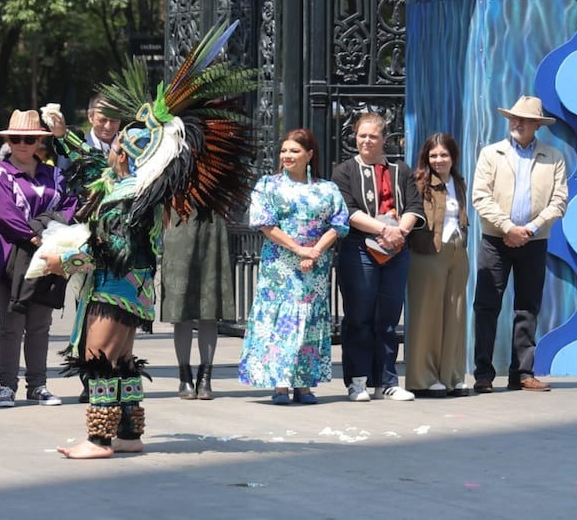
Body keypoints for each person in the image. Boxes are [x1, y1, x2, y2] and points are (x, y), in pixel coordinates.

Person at [38, 18, 256, 459]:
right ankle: (130, 434)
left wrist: (66, 263)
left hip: (116, 287)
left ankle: (99, 439)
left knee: (100, 355)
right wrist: (62, 138)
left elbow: (110, 249)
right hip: (131, 290)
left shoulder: (127, 197)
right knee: (119, 360)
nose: (112, 146)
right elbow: (88, 166)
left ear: (129, 155)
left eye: (118, 144)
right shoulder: (132, 188)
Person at [238, 129, 349, 404]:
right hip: (280, 265)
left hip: (315, 263)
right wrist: (299, 249)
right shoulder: (269, 185)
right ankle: (280, 384)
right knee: (281, 321)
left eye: (294, 151)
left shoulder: (326, 188)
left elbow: (339, 223)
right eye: (284, 150)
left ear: (309, 155)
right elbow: (264, 223)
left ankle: (305, 384)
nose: (287, 156)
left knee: (310, 319)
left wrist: (315, 251)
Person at [470, 95, 568, 393]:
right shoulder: (491, 153)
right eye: (514, 117)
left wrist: (531, 228)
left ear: (537, 125)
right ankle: (483, 374)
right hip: (496, 239)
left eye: (524, 119)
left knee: (527, 307)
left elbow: (560, 200)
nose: (517, 122)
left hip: (534, 240)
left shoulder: (554, 157)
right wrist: (508, 227)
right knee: (487, 306)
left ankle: (522, 373)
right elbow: (480, 196)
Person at [0, 110, 78, 408]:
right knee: (11, 324)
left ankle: (37, 385)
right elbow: (3, 214)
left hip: (48, 258)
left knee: (40, 324)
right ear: (9, 141)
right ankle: (6, 386)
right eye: (16, 139)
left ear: (39, 141)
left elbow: (72, 205)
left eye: (29, 139)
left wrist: (47, 237)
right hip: (10, 259)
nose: (22, 144)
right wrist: (38, 235)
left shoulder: (55, 175)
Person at [332, 113, 425, 402]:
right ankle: (357, 381)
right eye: (362, 136)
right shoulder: (344, 171)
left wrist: (400, 232)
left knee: (387, 319)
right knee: (359, 317)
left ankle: (387, 380)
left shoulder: (401, 170)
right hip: (359, 249)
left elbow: (413, 206)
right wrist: (385, 228)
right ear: (355, 137)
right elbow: (348, 211)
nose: (367, 141)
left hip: (396, 251)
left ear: (384, 139)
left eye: (373, 136)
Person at [53, 95, 120, 402]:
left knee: (117, 319)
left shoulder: (131, 154)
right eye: (103, 119)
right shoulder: (78, 148)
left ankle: (111, 382)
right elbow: (69, 183)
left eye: (114, 120)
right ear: (91, 116)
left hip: (124, 252)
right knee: (88, 309)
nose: (108, 126)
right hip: (87, 240)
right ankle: (91, 381)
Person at [406, 133, 470, 398]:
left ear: (453, 156)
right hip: (428, 252)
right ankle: (424, 377)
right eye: (433, 155)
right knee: (426, 316)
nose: (439, 160)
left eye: (444, 154)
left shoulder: (458, 181)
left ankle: (452, 375)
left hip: (457, 251)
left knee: (455, 314)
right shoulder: (419, 182)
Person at [160, 212, 235, 400]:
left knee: (209, 309)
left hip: (211, 224)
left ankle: (205, 378)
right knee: (181, 308)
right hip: (179, 222)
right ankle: (184, 377)